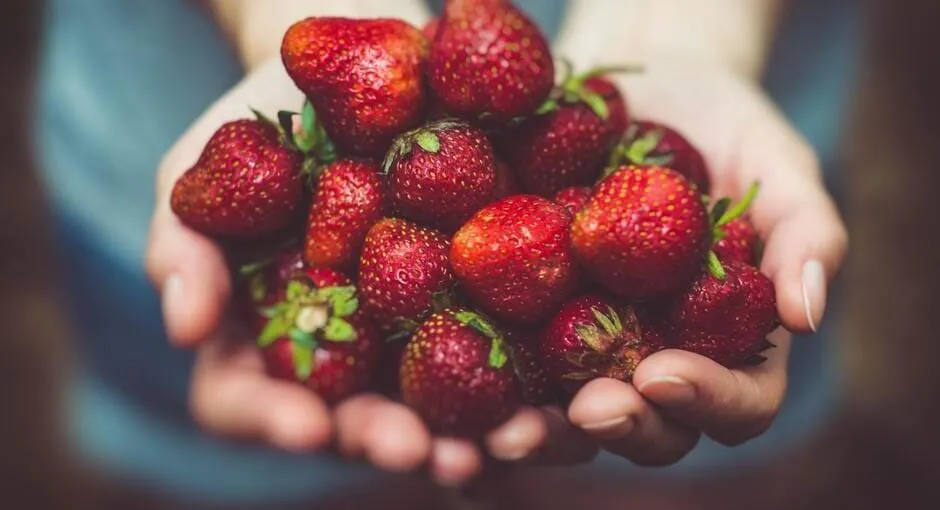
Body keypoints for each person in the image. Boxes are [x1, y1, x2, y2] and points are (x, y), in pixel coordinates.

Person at [36, 0, 854, 505]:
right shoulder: (396, 198)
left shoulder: (567, 208)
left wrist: (687, 24)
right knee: (253, 482)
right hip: (165, 78)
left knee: (665, 473)